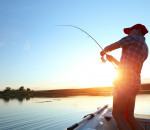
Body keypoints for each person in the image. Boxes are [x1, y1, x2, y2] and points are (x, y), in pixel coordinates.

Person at [100, 24, 148, 130]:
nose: (129, 34)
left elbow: (114, 45)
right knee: (130, 116)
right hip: (135, 82)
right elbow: (130, 66)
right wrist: (113, 60)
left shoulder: (133, 37)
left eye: (130, 31)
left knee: (118, 115)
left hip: (125, 82)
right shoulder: (145, 47)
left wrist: (104, 51)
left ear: (137, 30)